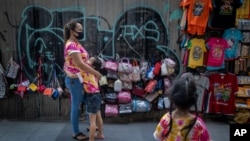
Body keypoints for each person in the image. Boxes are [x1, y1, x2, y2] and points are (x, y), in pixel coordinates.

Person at [63, 19, 102, 141]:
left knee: (87, 102)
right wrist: (96, 73)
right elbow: (80, 64)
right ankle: (76, 132)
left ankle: (92, 126)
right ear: (72, 31)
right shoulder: (71, 45)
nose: (81, 32)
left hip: (82, 80)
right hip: (76, 81)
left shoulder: (77, 44)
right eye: (79, 30)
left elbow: (68, 63)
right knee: (76, 106)